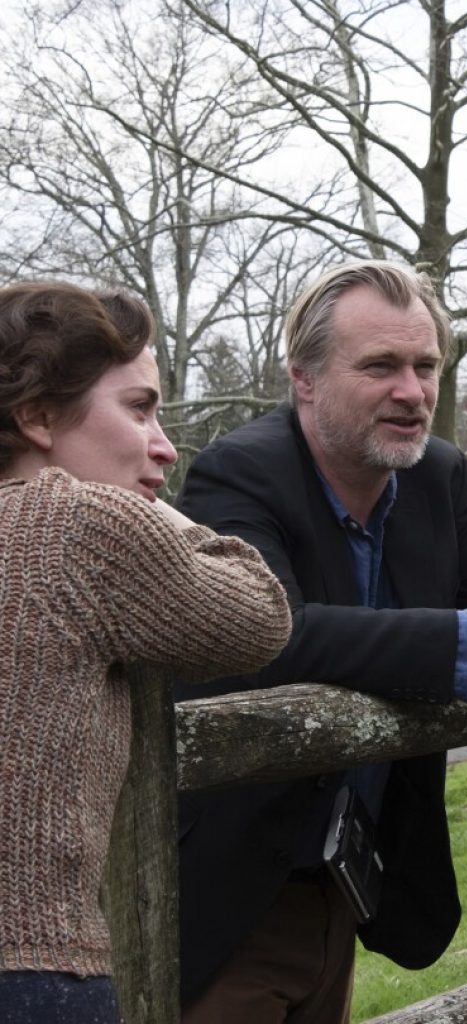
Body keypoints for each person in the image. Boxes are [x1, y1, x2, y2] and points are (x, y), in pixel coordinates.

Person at [175, 259, 467, 1023]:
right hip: (236, 889)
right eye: (380, 366)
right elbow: (275, 634)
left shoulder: (436, 477)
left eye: (426, 366)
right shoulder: (238, 475)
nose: (412, 393)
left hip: (346, 885)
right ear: (305, 379)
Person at [0, 282, 292, 1023]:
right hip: (32, 972)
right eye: (138, 409)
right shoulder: (69, 521)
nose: (163, 443)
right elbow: (259, 616)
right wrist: (151, 506)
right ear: (35, 415)